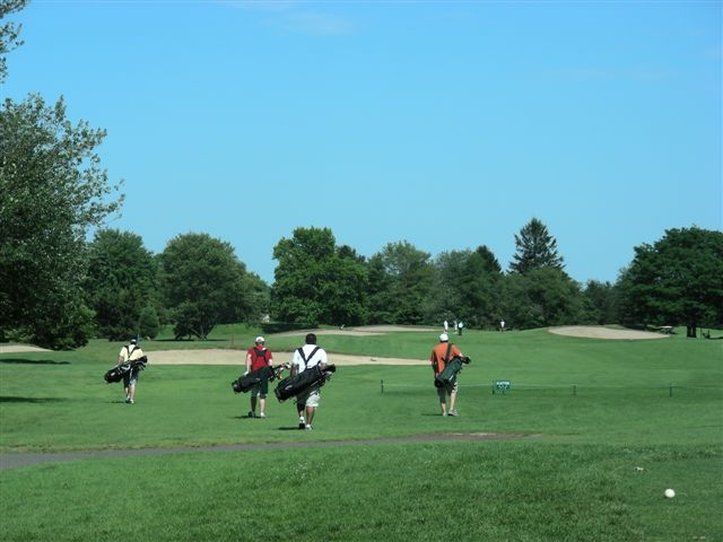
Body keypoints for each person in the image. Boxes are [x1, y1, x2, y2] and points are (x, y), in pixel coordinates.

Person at [291, 332, 328, 430]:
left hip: (299, 380)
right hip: (313, 381)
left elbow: (294, 367)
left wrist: (292, 381)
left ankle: (301, 419)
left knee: (300, 401)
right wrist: (322, 380)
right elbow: (324, 367)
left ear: (305, 340)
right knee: (311, 403)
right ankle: (308, 424)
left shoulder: (298, 351)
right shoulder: (321, 351)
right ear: (315, 341)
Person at [429, 332, 464, 416]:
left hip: (440, 375)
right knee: (453, 391)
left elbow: (433, 363)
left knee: (441, 393)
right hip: (450, 374)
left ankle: (444, 412)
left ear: (440, 340)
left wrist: (435, 373)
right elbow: (461, 357)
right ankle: (451, 410)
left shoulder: (435, 349)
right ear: (447, 339)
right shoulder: (452, 347)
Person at [245, 336, 274, 418]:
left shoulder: (251, 350)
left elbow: (248, 359)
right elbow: (270, 363)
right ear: (263, 343)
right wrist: (271, 374)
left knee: (253, 394)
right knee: (262, 395)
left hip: (254, 375)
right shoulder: (267, 351)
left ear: (256, 343)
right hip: (264, 376)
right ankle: (262, 413)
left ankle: (253, 412)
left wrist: (247, 371)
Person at [117, 338, 144, 404]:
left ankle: (127, 397)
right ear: (136, 343)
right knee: (133, 383)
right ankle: (131, 399)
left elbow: (120, 358)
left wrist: (119, 366)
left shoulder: (124, 348)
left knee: (126, 383)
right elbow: (142, 359)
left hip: (125, 368)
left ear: (130, 342)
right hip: (134, 368)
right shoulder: (138, 349)